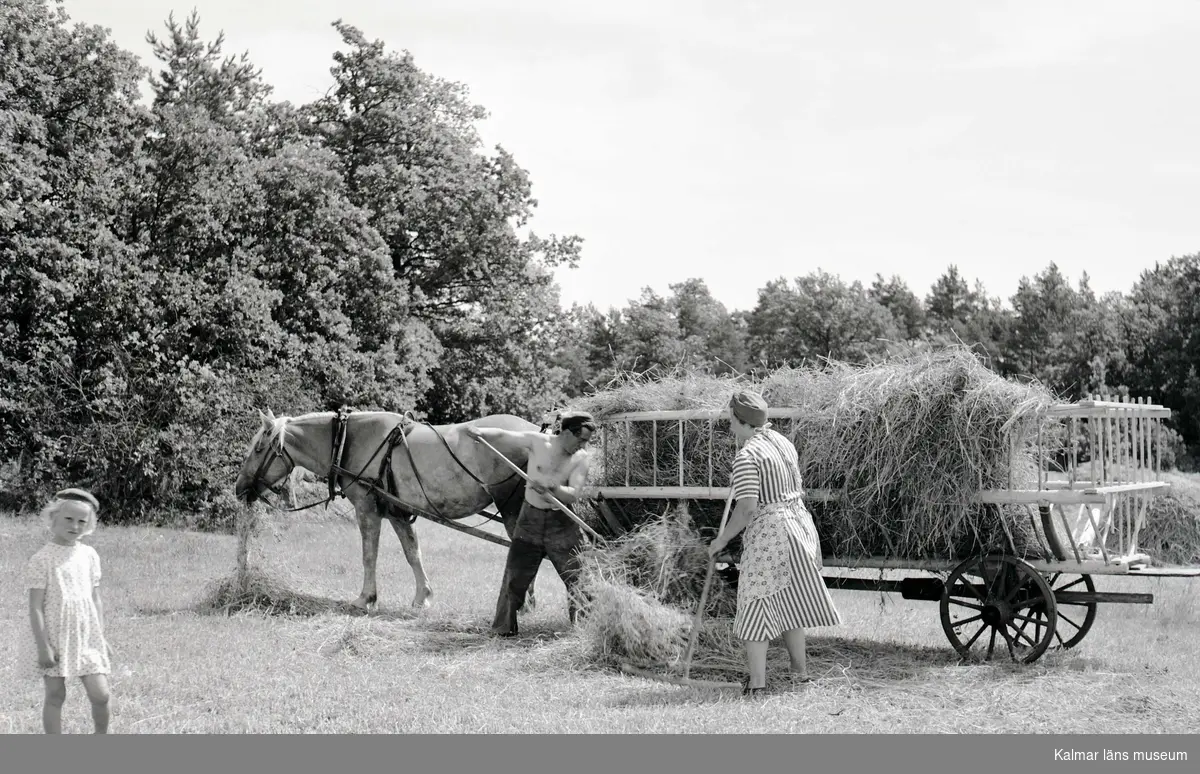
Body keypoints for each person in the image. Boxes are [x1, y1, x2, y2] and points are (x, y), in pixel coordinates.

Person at [707, 391, 842, 697]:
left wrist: (721, 540)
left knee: (754, 603)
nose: (729, 427)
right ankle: (799, 674)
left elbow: (747, 509)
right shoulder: (782, 442)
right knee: (789, 600)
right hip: (799, 527)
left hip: (772, 536)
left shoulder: (747, 456)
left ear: (741, 421)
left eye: (730, 419)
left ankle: (756, 684)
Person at [464, 412, 596, 637]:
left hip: (561, 524)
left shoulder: (581, 458)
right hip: (530, 521)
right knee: (515, 576)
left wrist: (553, 488)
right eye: (580, 439)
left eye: (586, 441)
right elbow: (505, 435)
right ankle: (503, 628)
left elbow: (573, 494)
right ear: (565, 432)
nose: (582, 445)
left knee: (578, 576)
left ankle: (583, 631)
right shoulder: (538, 442)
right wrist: (479, 432)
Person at [25, 488, 113, 733]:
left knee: (101, 694)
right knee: (55, 694)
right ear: (53, 518)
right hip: (54, 634)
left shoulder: (89, 555)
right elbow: (35, 606)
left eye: (81, 521)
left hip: (87, 635)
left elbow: (96, 599)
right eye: (68, 519)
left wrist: (101, 637)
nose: (75, 526)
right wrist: (43, 646)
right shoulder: (41, 559)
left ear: (89, 525)